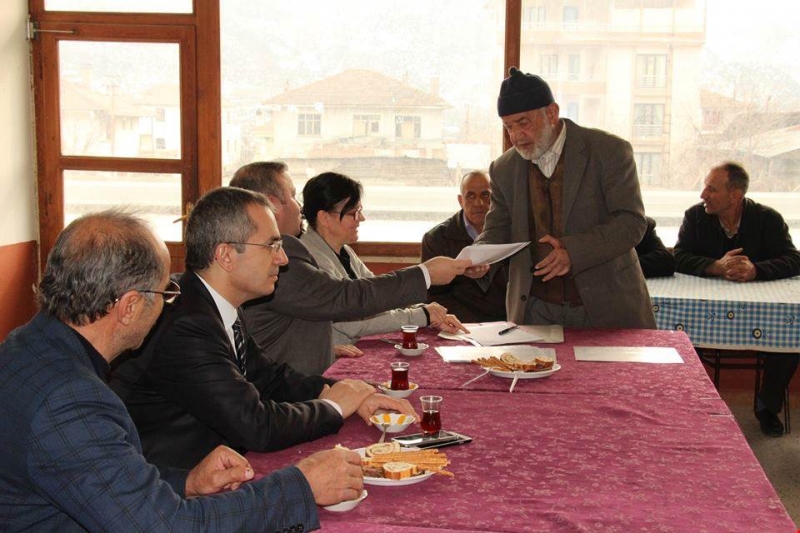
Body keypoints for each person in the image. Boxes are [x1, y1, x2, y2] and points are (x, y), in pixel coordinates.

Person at [0, 211, 363, 532]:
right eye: (163, 293)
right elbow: (166, 525)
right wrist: (301, 485)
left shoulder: (26, 344)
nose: (169, 303)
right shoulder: (70, 399)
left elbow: (94, 480)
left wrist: (186, 482)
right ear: (128, 307)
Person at [110, 187, 416, 470]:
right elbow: (256, 425)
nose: (282, 259)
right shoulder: (185, 324)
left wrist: (349, 392)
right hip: (174, 484)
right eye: (272, 245)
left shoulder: (215, 303)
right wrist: (334, 407)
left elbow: (269, 378)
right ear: (226, 255)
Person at [231, 162, 472, 374]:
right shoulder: (286, 255)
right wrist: (425, 277)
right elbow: (345, 299)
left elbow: (363, 292)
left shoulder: (305, 250)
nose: (300, 208)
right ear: (273, 204)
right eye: (294, 196)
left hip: (287, 373)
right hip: (281, 385)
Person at [470, 67, 655, 329]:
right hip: (534, 309)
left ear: (552, 114)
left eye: (523, 123)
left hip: (605, 305)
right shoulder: (504, 168)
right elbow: (498, 227)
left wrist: (572, 251)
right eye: (508, 127)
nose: (516, 136)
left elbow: (631, 223)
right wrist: (481, 256)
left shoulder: (608, 151)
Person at [674, 161, 800, 437]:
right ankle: (691, 404)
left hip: (763, 311)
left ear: (735, 195)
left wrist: (757, 270)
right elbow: (679, 256)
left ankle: (767, 406)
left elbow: (794, 260)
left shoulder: (768, 219)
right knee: (677, 332)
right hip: (705, 312)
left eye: (711, 188)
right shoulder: (695, 217)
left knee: (791, 332)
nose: (703, 195)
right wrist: (715, 266)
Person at [299, 172, 469, 346]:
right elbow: (351, 323)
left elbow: (379, 297)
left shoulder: (345, 251)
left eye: (360, 211)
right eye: (354, 213)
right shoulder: (310, 258)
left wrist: (426, 311)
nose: (362, 219)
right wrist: (421, 316)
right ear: (325, 217)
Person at [421, 170, 508, 322]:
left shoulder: (509, 232)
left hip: (509, 321)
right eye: (471, 196)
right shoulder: (436, 239)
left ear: (495, 198)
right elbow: (435, 296)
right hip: (462, 324)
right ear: (461, 200)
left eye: (485, 195)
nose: (478, 203)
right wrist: (474, 325)